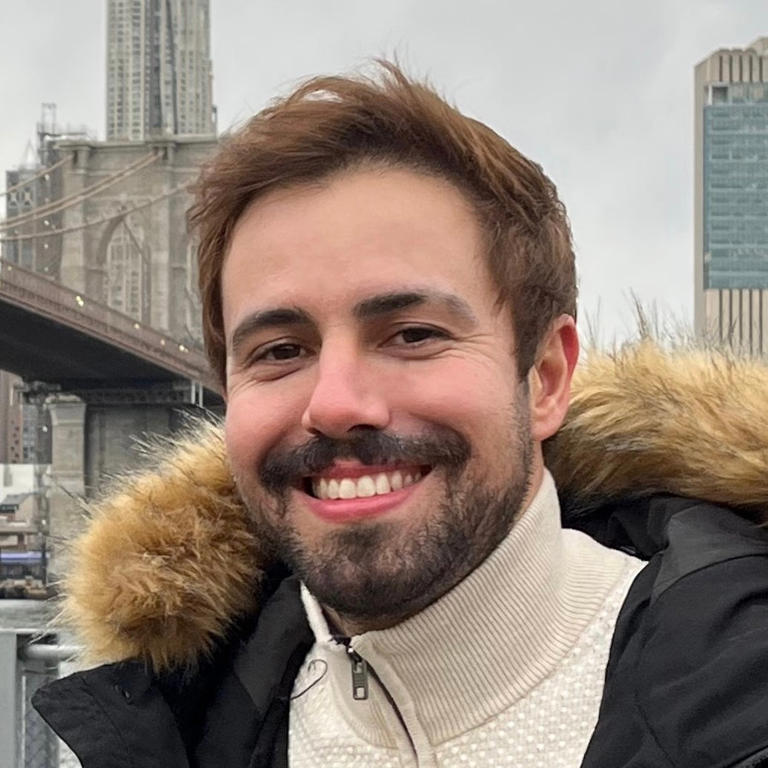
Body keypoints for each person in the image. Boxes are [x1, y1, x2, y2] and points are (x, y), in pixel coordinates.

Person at [34, 62, 768, 768]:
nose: (336, 404)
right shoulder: (169, 725)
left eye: (413, 335)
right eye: (281, 350)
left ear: (545, 379)